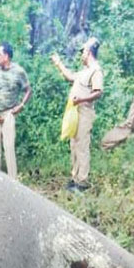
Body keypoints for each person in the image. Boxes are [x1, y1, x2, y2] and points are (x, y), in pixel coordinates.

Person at [51, 37, 104, 191]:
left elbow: (98, 92)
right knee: (74, 144)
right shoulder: (84, 72)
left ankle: (82, 181)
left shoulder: (96, 70)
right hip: (76, 113)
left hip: (85, 113)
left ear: (88, 52)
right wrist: (58, 63)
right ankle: (75, 178)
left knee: (82, 146)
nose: (81, 54)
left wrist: (81, 99)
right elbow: (69, 77)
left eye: (83, 51)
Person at [0, 42, 31, 180]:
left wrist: (21, 105)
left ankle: (13, 181)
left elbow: (28, 90)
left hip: (9, 114)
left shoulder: (18, 72)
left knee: (9, 148)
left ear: (6, 56)